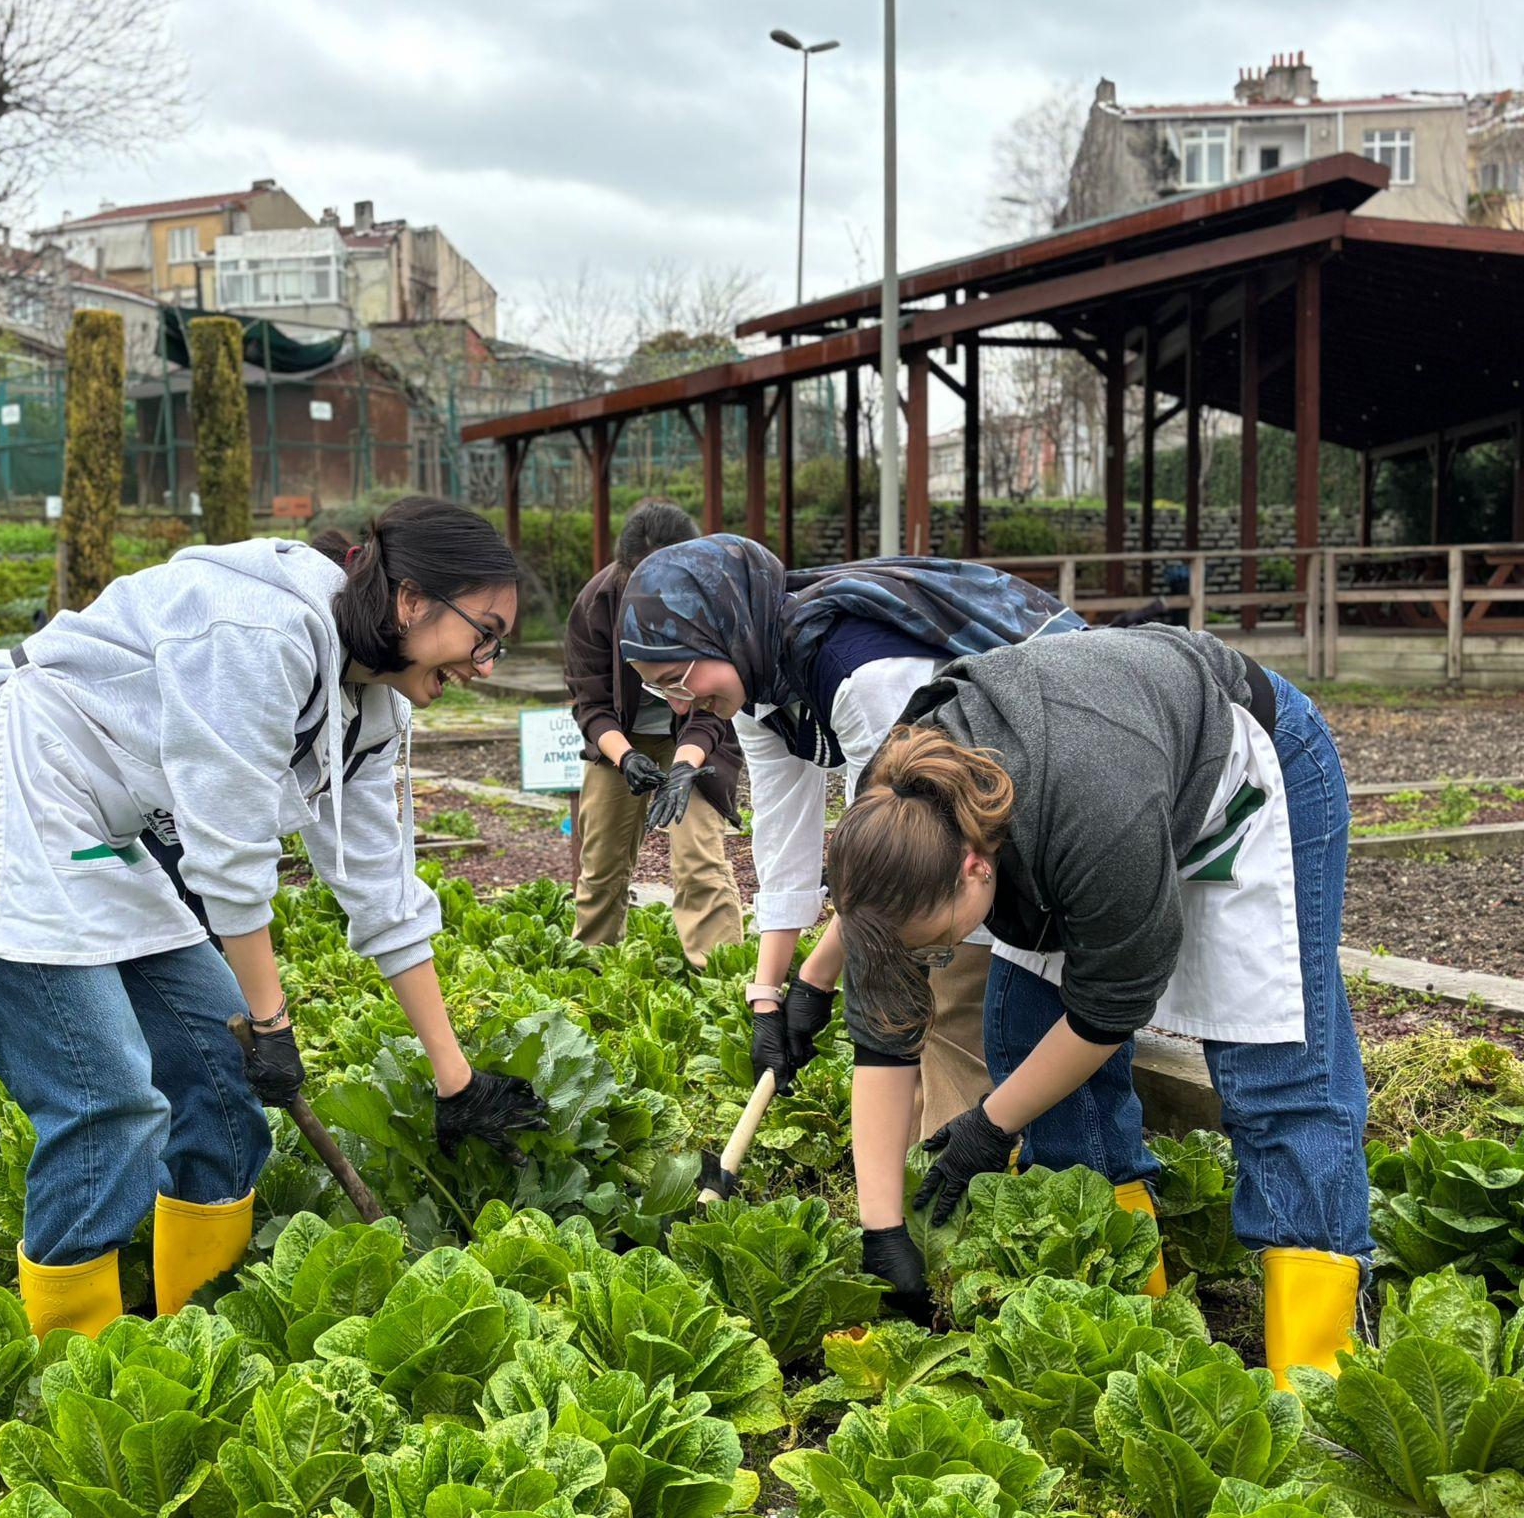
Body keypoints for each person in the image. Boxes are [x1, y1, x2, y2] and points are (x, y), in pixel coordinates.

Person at [0, 496, 549, 1338]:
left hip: (93, 822)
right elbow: (229, 859)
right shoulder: (259, 632)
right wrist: (271, 1025)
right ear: (413, 601)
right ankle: (69, 1371)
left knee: (219, 1077)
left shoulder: (375, 710)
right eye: (484, 633)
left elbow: (382, 891)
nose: (486, 663)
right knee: (106, 1102)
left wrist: (457, 1082)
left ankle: (195, 1342)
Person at [827, 624, 1368, 1389]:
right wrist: (882, 1229)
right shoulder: (892, 816)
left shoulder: (1093, 818)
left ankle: (1318, 1378)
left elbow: (1109, 1010)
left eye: (941, 942)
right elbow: (882, 1026)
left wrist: (992, 1123)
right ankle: (1130, 1323)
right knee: (1022, 1032)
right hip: (1084, 787)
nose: (937, 956)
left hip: (1244, 770)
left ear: (975, 867)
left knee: (1278, 1068)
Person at [617, 533, 1079, 1136]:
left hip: (1038, 796)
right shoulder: (757, 687)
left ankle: (964, 1172)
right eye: (660, 690)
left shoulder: (861, 676)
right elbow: (784, 838)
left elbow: (892, 851)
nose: (681, 706)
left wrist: (814, 982)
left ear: (725, 630)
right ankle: (926, 1159)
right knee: (910, 984)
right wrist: (768, 996)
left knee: (953, 997)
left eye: (678, 677)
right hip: (953, 825)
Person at [564, 502, 744, 968]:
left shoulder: (712, 600)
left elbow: (716, 703)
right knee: (601, 861)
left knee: (697, 856)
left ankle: (718, 977)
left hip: (696, 737)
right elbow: (591, 703)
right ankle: (591, 969)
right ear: (624, 571)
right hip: (620, 740)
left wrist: (685, 767)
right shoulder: (595, 604)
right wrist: (625, 758)